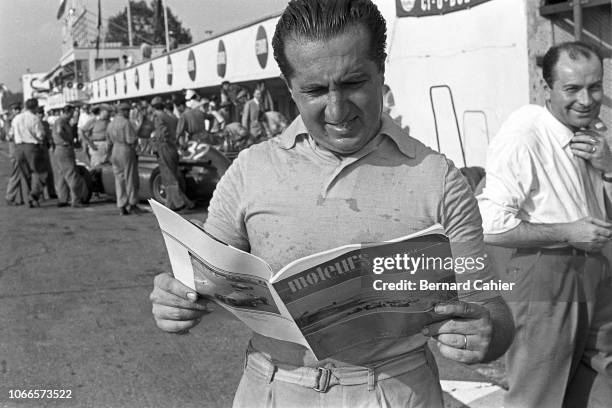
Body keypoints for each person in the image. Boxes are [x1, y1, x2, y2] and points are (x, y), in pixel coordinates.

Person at [150, 1, 515, 407]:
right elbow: (200, 275)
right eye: (315, 91)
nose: (338, 110)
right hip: (272, 390)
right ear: (290, 88)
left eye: (353, 82)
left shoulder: (438, 179)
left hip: (396, 392)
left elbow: (489, 306)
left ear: (382, 71)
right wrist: (175, 299)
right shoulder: (250, 170)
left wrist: (486, 333)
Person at [478, 41, 612, 408]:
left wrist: (609, 166)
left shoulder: (590, 132)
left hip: (596, 274)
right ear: (546, 88)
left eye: (595, 86)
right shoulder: (525, 135)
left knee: (600, 388)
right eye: (572, 89)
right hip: (546, 280)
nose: (586, 99)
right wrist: (568, 232)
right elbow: (488, 224)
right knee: (539, 396)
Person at [150, 96, 194, 211]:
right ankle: (171, 206)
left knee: (169, 177)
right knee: (170, 176)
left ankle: (180, 203)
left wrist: (154, 145)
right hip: (173, 148)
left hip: (164, 147)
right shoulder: (173, 118)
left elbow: (161, 135)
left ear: (154, 107)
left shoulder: (159, 118)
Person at [8, 99, 47, 208]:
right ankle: (34, 196)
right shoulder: (35, 118)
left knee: (26, 175)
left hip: (19, 148)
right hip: (32, 147)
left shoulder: (16, 118)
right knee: (40, 173)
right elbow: (40, 135)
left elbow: (11, 134)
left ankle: (29, 198)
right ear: (35, 107)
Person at [106, 102, 141, 215]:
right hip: (125, 150)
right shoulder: (126, 123)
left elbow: (108, 142)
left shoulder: (110, 124)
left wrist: (108, 154)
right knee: (130, 178)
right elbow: (131, 140)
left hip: (115, 150)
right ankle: (132, 203)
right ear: (124, 111)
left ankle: (121, 205)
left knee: (119, 179)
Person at [51, 105, 87, 208]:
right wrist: (67, 140)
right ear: (68, 112)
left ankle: (63, 198)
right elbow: (59, 131)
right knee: (72, 174)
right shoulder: (61, 121)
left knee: (62, 175)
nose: (73, 115)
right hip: (64, 148)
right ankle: (76, 199)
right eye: (72, 113)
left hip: (59, 149)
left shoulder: (62, 121)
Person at [4, 102, 29, 206]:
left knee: (21, 174)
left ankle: (19, 198)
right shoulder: (9, 121)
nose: (17, 111)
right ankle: (10, 196)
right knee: (17, 173)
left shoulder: (20, 119)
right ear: (12, 110)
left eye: (18, 109)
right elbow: (9, 136)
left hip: (20, 148)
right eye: (15, 109)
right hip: (15, 149)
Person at [80, 104, 111, 168]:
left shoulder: (108, 121)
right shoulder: (93, 121)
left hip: (107, 146)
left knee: (106, 168)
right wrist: (90, 143)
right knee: (96, 167)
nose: (109, 114)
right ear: (101, 112)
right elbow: (81, 132)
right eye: (108, 112)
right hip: (97, 146)